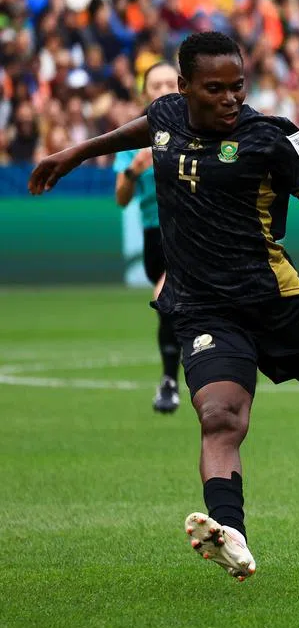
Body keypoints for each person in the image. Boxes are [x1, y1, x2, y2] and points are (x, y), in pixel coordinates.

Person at [29, 32, 299, 582]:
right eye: (214, 88)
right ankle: (229, 533)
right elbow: (146, 128)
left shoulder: (274, 136)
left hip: (276, 301)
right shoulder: (168, 114)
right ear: (186, 87)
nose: (230, 98)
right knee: (219, 418)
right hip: (203, 308)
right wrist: (77, 152)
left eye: (237, 86)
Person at [113, 61, 182, 413]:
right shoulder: (133, 138)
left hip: (197, 230)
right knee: (174, 304)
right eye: (157, 84)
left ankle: (171, 382)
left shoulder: (201, 127)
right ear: (146, 92)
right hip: (156, 234)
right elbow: (121, 197)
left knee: (168, 297)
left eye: (172, 81)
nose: (166, 88)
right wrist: (133, 170)